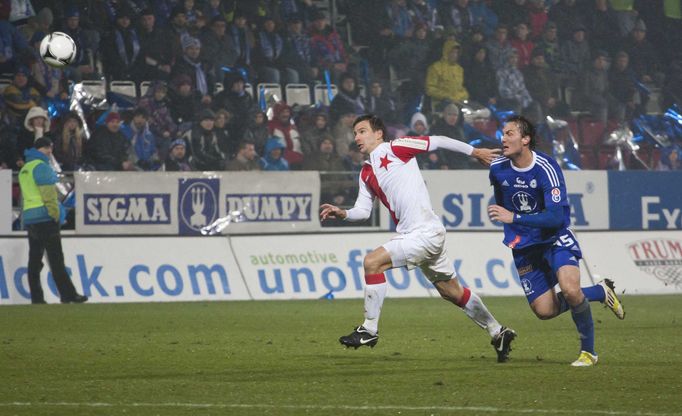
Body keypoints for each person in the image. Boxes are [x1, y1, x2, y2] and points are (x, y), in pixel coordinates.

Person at [320, 114, 516, 362]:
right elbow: (363, 211)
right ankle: (497, 331)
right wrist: (344, 213)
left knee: (372, 262)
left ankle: (369, 329)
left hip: (423, 233)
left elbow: (438, 140)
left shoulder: (396, 148)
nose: (357, 137)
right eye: (355, 133)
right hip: (422, 235)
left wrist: (475, 152)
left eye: (362, 131)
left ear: (379, 133)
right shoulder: (366, 172)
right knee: (451, 292)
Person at [487, 115, 625, 367]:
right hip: (524, 247)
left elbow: (555, 216)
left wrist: (513, 215)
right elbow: (501, 198)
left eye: (509, 134)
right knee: (545, 311)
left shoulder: (547, 168)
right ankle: (599, 291)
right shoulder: (497, 168)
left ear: (525, 139)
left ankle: (588, 353)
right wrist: (505, 217)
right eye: (502, 133)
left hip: (554, 238)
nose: (502, 138)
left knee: (571, 290)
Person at [19, 137, 88, 304]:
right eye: (47, 149)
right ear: (39, 149)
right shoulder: (42, 167)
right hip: (45, 217)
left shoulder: (25, 169)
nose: (49, 152)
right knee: (56, 258)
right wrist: (56, 215)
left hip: (30, 217)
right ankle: (68, 295)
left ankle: (37, 298)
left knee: (34, 260)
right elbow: (49, 196)